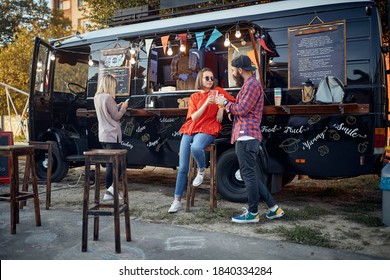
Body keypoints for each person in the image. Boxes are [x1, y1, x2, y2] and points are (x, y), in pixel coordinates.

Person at [217, 55, 284, 223]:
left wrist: (225, 103)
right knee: (251, 175)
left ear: (240, 70)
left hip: (246, 136)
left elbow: (243, 109)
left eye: (233, 70)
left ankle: (253, 213)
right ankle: (274, 209)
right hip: (247, 136)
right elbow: (240, 109)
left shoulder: (252, 85)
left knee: (248, 175)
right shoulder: (250, 85)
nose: (232, 73)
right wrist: (232, 110)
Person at [168, 67, 235, 213]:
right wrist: (206, 103)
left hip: (208, 127)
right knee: (183, 167)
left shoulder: (218, 91)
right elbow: (194, 117)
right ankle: (177, 200)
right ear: (200, 79)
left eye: (212, 78)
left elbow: (233, 102)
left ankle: (201, 169)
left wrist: (221, 108)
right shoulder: (194, 97)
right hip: (192, 127)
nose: (210, 81)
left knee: (196, 148)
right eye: (207, 78)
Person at [94, 74, 128, 201]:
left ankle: (110, 191)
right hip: (112, 134)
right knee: (115, 165)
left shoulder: (97, 97)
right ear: (109, 84)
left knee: (111, 163)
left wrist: (116, 106)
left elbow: (108, 113)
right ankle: (110, 191)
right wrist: (123, 108)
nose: (115, 87)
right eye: (114, 85)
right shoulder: (108, 97)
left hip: (103, 134)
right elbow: (117, 116)